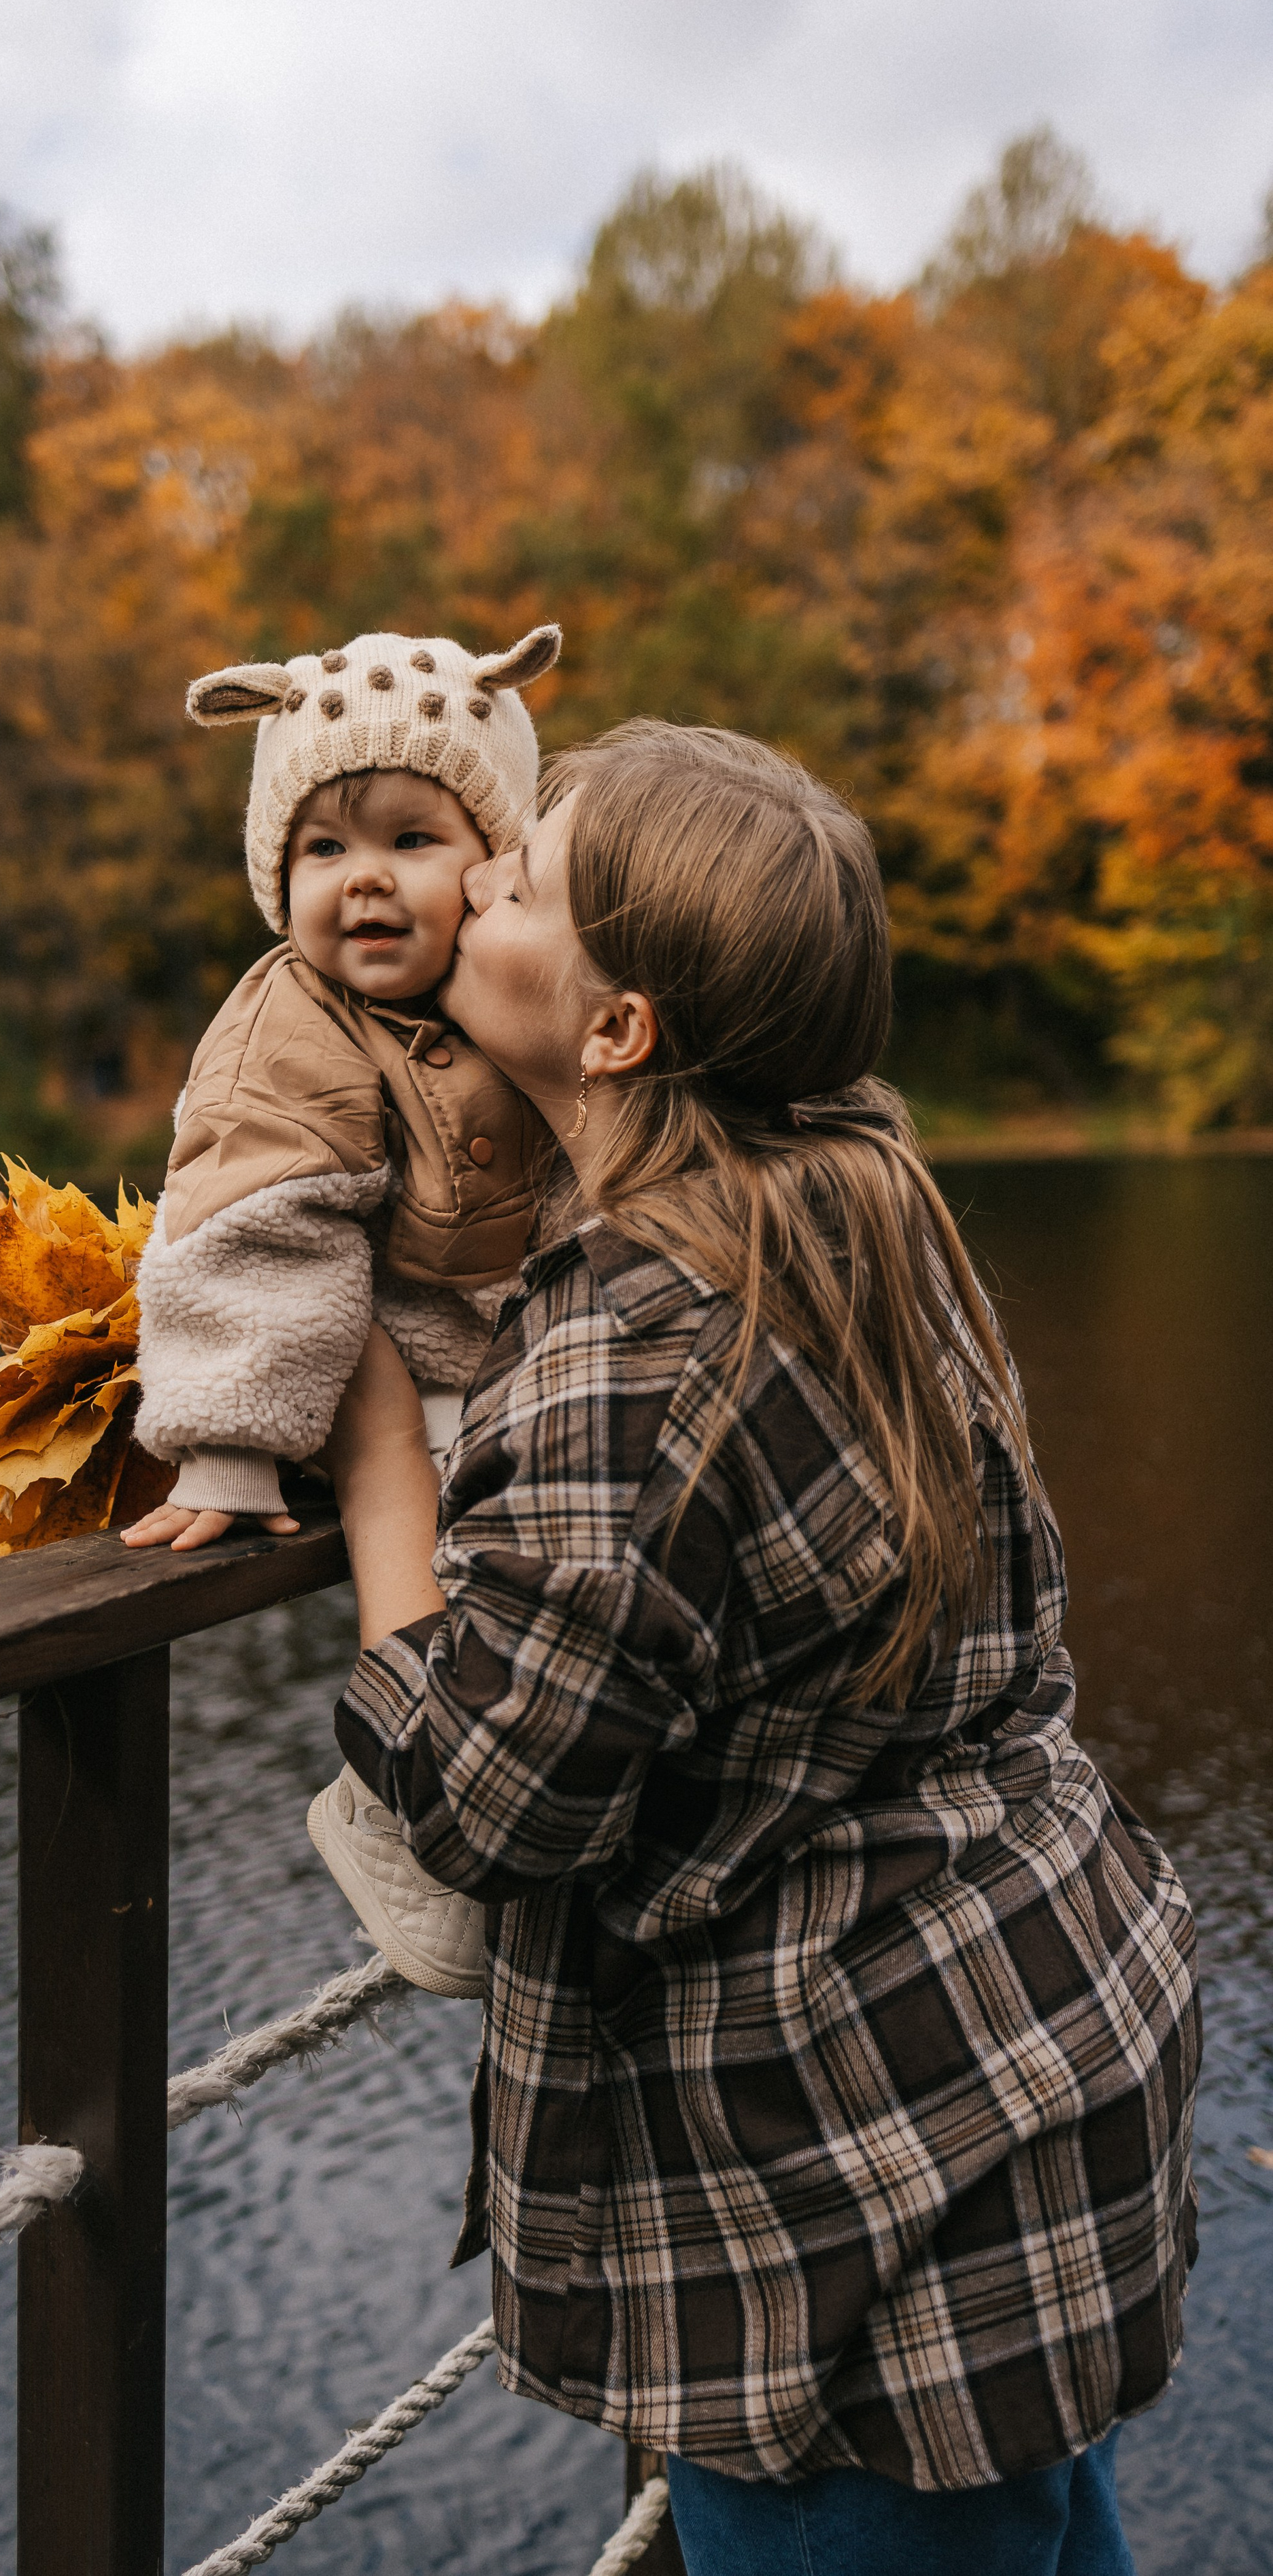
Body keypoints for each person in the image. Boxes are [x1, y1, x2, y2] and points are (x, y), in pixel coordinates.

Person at [318, 720, 1200, 2575]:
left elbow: (495, 1802)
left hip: (849, 2194)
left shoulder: (632, 1341)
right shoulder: (858, 1183)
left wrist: (386, 1466)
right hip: (1023, 2042)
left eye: (525, 878)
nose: (474, 880)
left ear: (624, 1028)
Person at [121, 623, 560, 1997]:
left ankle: (519, 1808)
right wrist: (235, 1438)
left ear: (493, 860)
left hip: (531, 1353)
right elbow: (253, 1221)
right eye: (321, 849)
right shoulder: (289, 1024)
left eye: (412, 838)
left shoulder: (521, 983)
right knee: (461, 1546)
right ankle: (399, 1808)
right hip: (368, 1365)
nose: (362, 879)